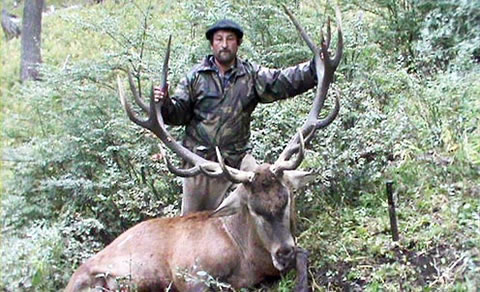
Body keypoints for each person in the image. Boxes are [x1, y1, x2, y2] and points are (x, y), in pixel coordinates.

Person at [154, 19, 317, 215]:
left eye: (230, 39)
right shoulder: (195, 77)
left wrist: (314, 69)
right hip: (201, 164)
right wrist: (164, 103)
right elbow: (178, 114)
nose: (224, 44)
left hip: (239, 164)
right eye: (219, 39)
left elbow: (282, 81)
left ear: (238, 43)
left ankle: (277, 243)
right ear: (212, 44)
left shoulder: (250, 75)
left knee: (263, 202)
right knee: (192, 224)